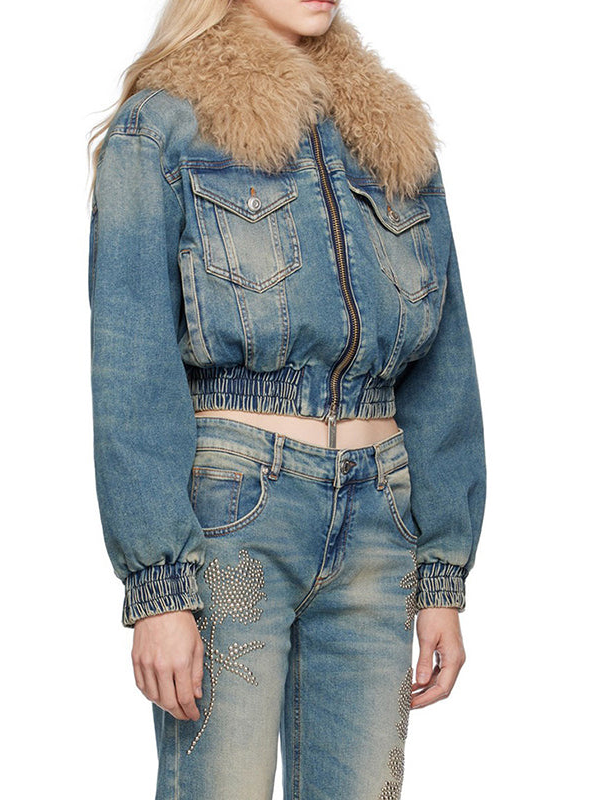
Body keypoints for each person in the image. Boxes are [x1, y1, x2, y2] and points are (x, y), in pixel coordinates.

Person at [87, 1, 486, 797]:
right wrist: (159, 590)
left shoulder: (390, 136)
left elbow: (446, 364)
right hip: (236, 521)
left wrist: (442, 574)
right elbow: (131, 364)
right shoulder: (163, 128)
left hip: (381, 524)